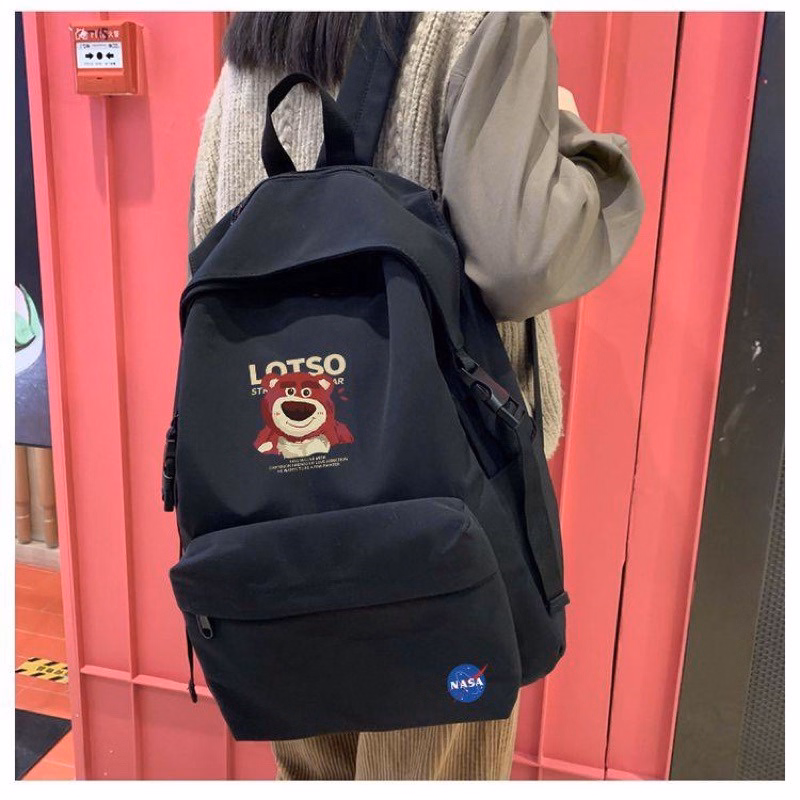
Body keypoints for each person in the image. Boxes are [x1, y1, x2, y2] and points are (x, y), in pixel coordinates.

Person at [189, 10, 644, 781]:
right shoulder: (481, 21)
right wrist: (572, 140)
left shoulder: (254, 45)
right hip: (436, 502)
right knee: (432, 766)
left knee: (315, 762)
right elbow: (523, 260)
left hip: (275, 521)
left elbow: (209, 245)